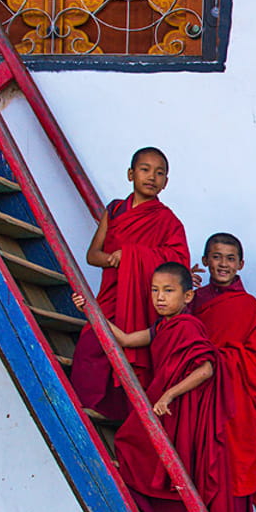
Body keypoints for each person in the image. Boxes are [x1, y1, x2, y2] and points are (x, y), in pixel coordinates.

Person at [77, 263, 251, 512]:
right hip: (170, 406)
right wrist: (90, 311)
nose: (159, 297)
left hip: (186, 408)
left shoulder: (188, 326)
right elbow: (125, 339)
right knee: (134, 445)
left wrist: (170, 394)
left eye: (168, 291)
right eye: (155, 290)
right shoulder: (163, 326)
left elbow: (206, 369)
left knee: (143, 448)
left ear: (187, 297)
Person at [69, 147, 189, 421]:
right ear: (131, 174)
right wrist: (114, 260)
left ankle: (122, 416)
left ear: (166, 182)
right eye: (145, 169)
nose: (152, 177)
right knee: (91, 345)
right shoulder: (114, 210)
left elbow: (179, 260)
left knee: (134, 358)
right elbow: (92, 255)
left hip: (141, 301)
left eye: (160, 173)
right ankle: (84, 411)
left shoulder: (167, 221)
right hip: (111, 295)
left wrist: (135, 256)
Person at [191, 232, 256, 504]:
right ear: (205, 260)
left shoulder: (249, 307)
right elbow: (173, 337)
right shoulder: (193, 300)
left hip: (232, 402)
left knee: (227, 473)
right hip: (196, 395)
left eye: (230, 259)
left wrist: (222, 359)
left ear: (241, 264)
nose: (223, 264)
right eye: (216, 257)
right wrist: (181, 290)